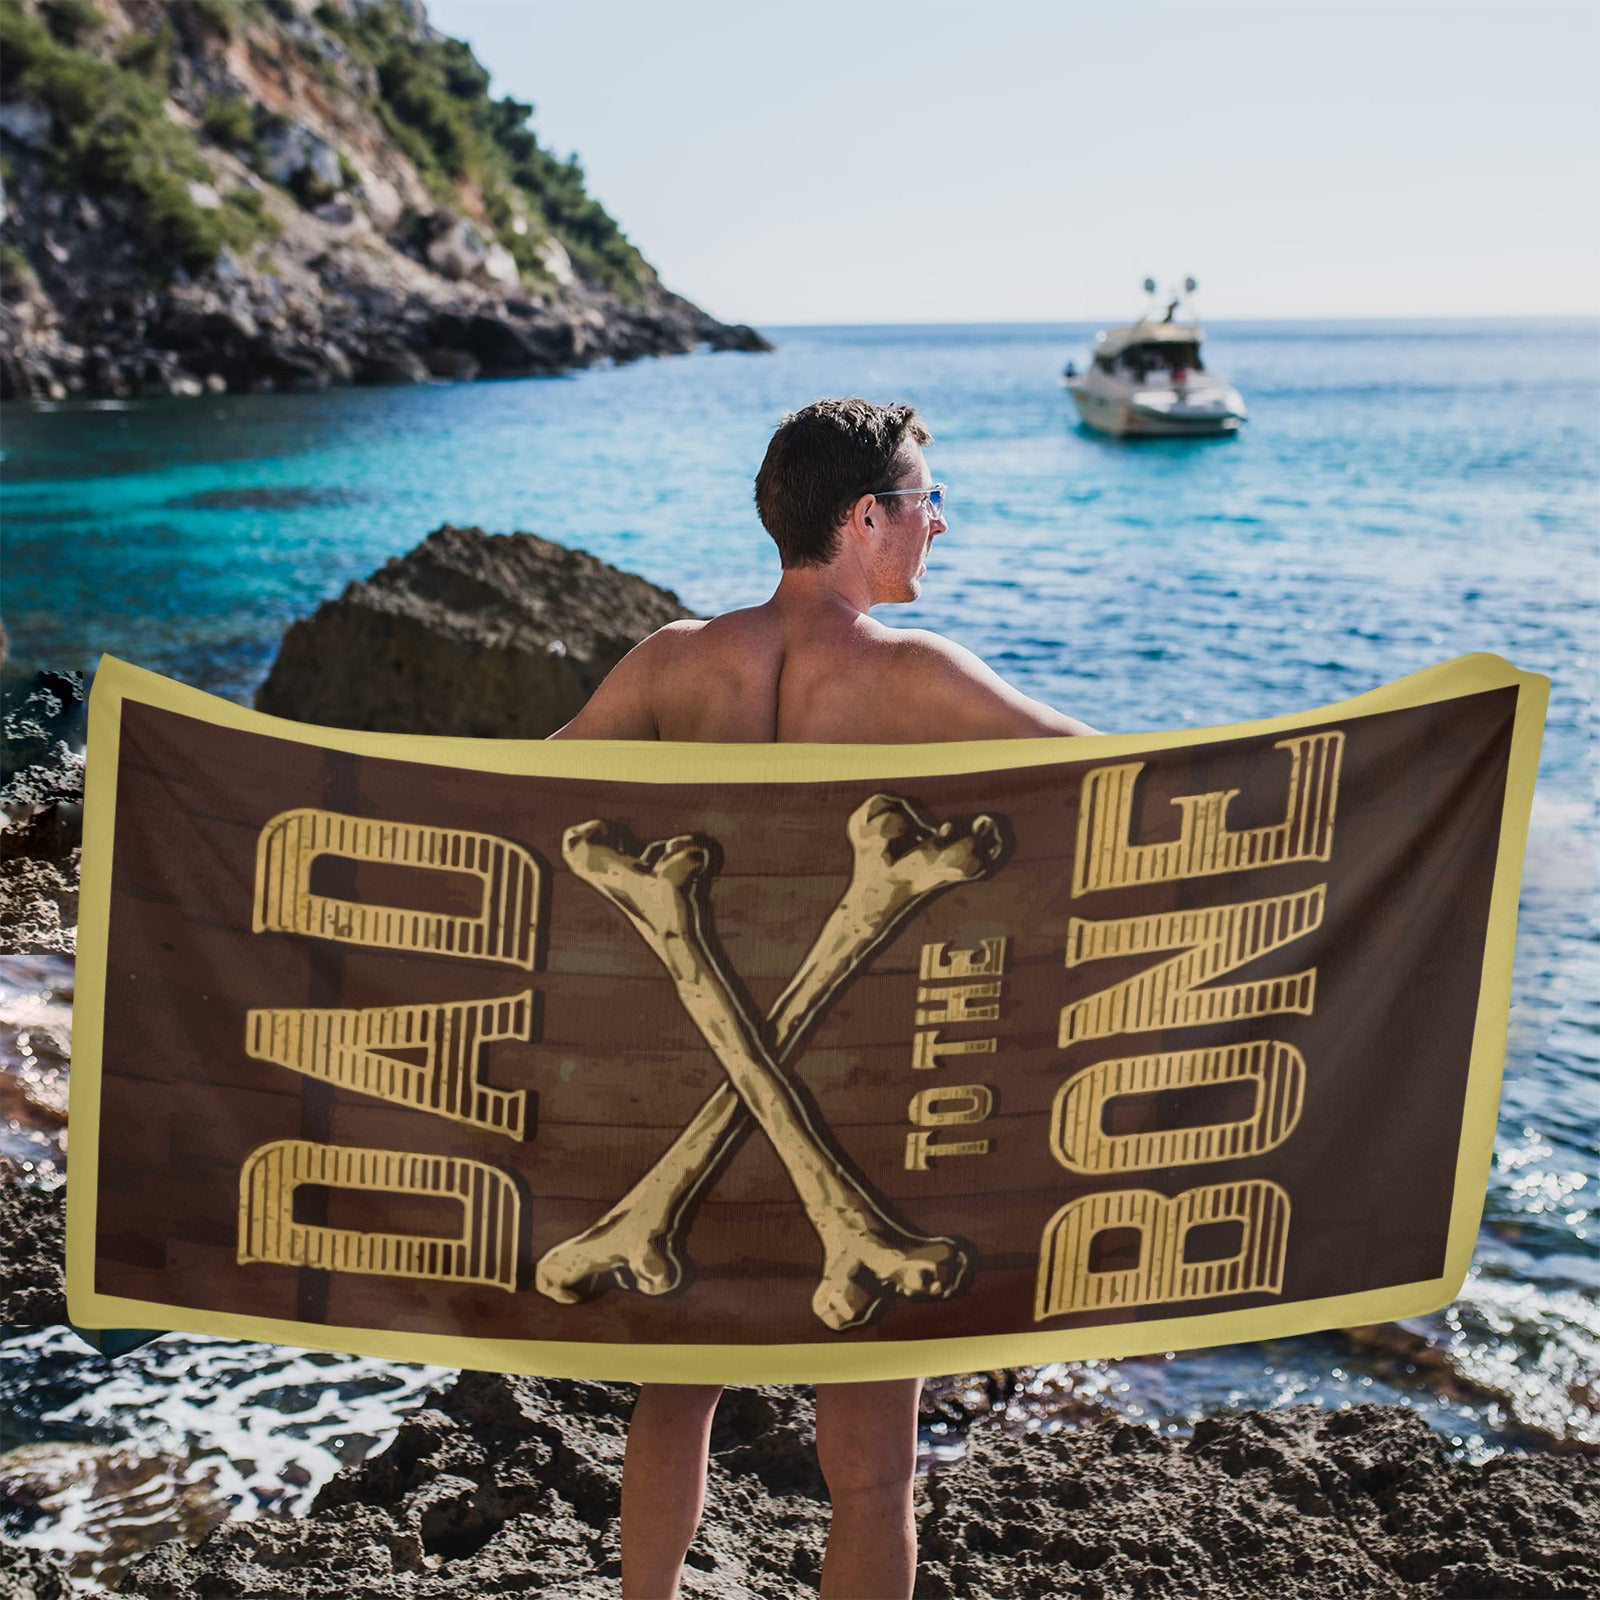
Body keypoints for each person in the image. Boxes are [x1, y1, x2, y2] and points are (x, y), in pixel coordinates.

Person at [550, 396, 1095, 1598]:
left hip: (697, 1084)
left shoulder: (673, 661)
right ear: (865, 517)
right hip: (863, 1100)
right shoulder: (915, 677)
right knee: (872, 1464)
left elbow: (520, 801)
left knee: (675, 1389)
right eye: (925, 500)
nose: (939, 523)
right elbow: (1119, 783)